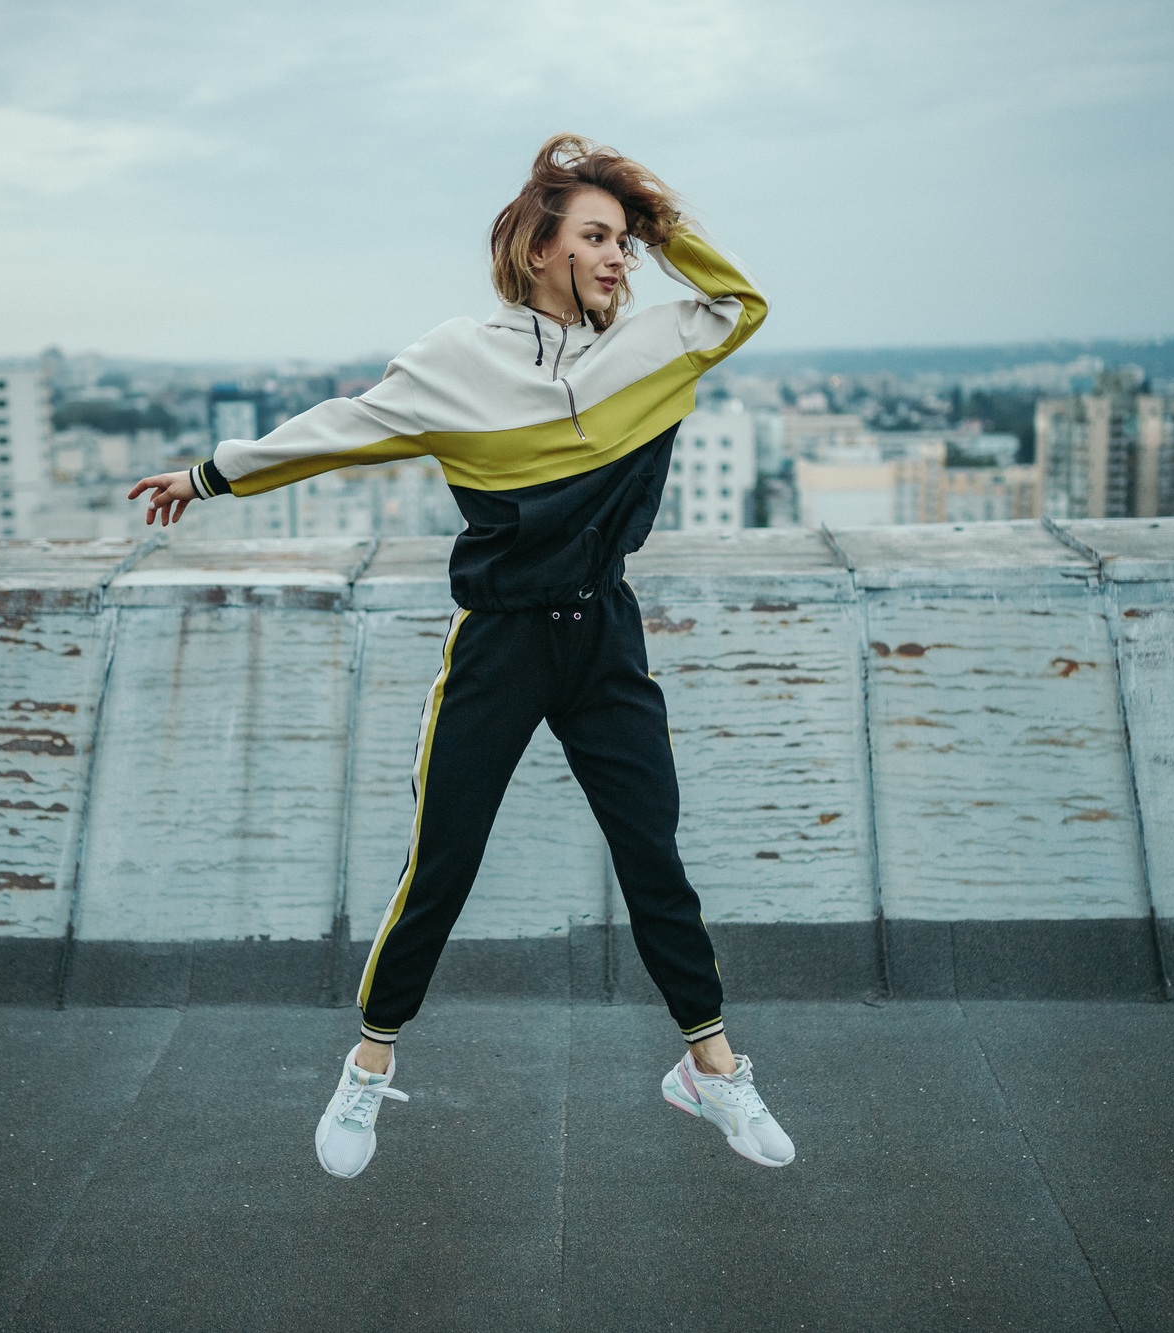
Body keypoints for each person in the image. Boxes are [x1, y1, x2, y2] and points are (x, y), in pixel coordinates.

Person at [128, 132, 795, 1178]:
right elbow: (339, 427)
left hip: (604, 636)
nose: (618, 256)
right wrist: (207, 475)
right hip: (499, 644)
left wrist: (660, 221)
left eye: (624, 240)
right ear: (537, 247)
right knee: (442, 860)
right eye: (595, 236)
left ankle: (709, 1066)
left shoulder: (656, 346)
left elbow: (743, 305)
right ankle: (366, 1065)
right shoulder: (457, 360)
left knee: (651, 855)